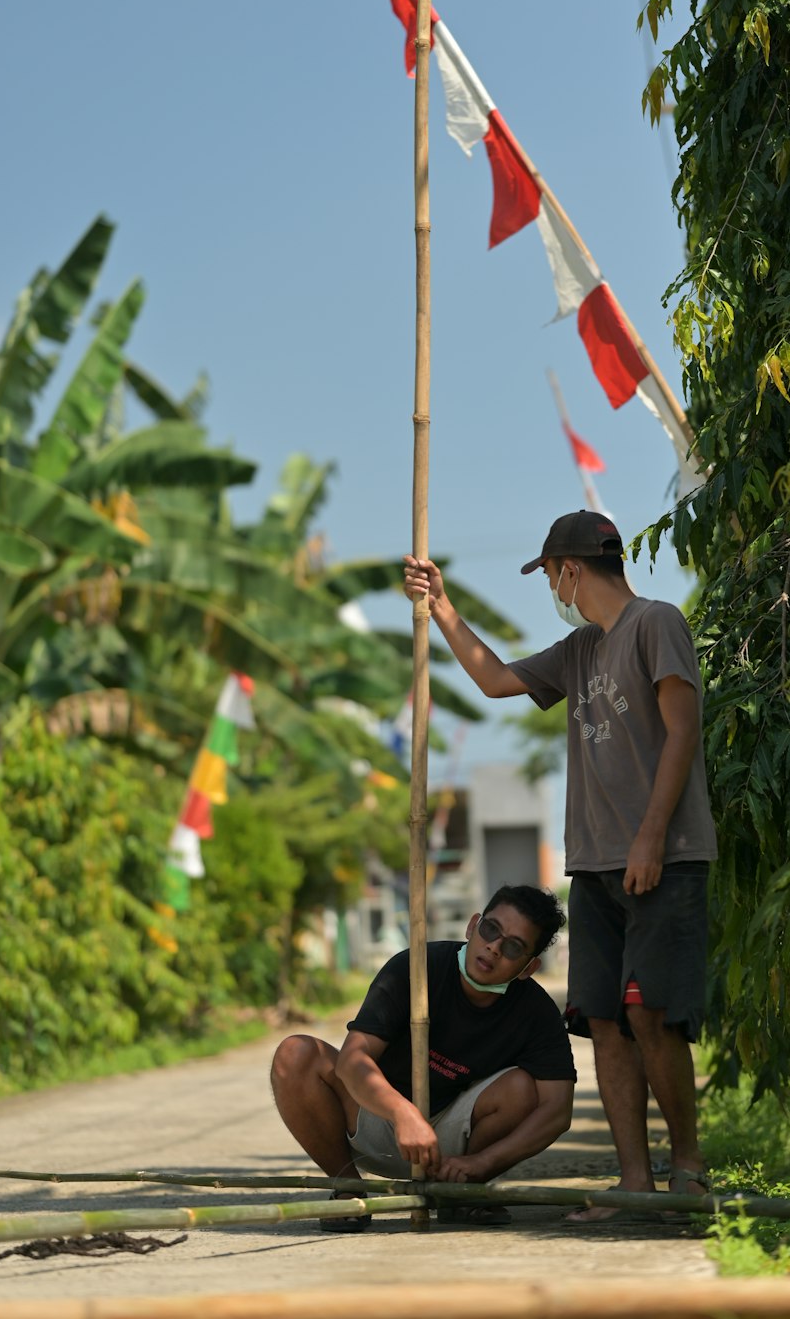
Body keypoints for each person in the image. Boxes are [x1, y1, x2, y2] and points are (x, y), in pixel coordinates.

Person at [403, 510, 716, 1223]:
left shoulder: (656, 623)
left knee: (653, 1015)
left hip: (665, 855)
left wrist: (651, 834)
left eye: (549, 573)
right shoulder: (578, 650)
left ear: (571, 568)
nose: (552, 586)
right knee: (605, 1019)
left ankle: (688, 1165)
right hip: (596, 865)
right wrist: (441, 605)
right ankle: (634, 1179)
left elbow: (683, 727)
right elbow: (494, 679)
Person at [271, 884, 575, 1230]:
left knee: (523, 1088)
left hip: (453, 1148)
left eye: (513, 947)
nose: (493, 947)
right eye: (491, 930)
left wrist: (482, 1162)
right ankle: (347, 1189)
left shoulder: (536, 1012)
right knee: (294, 1053)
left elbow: (557, 1111)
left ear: (528, 968)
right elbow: (353, 1059)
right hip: (376, 1117)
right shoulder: (415, 967)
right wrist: (401, 1113)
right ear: (473, 925)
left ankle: (462, 1194)